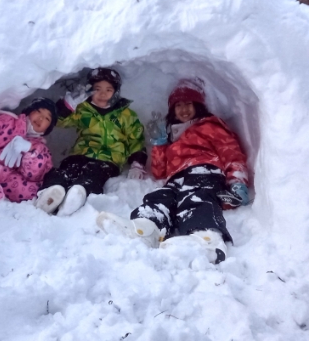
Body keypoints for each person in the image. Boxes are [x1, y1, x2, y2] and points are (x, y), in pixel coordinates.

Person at [97, 78, 250, 264]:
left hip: (205, 172)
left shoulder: (210, 125)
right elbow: (160, 172)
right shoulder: (172, 136)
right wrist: (160, 145)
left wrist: (237, 182)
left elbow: (231, 153)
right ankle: (146, 227)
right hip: (176, 179)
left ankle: (206, 238)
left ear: (198, 106)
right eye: (178, 105)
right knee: (161, 197)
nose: (183, 109)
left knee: (197, 199)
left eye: (188, 104)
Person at [36, 67, 147, 216]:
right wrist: (67, 105)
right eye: (97, 89)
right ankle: (51, 192)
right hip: (80, 153)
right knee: (65, 171)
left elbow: (136, 138)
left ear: (116, 92)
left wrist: (137, 163)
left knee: (94, 175)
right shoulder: (83, 109)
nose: (102, 94)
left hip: (108, 159)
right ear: (90, 90)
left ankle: (80, 193)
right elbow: (60, 121)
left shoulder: (125, 114)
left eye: (108, 89)